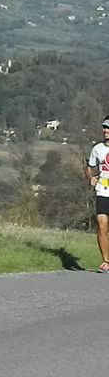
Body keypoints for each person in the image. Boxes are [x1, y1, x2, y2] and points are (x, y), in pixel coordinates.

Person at [85, 116, 109, 274]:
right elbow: (89, 166)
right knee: (101, 224)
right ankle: (106, 261)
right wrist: (90, 177)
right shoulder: (97, 149)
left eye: (108, 128)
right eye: (104, 128)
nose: (105, 131)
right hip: (103, 189)